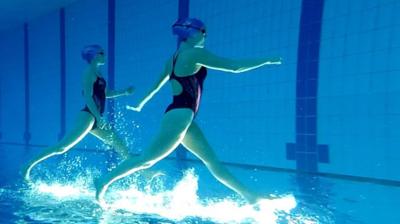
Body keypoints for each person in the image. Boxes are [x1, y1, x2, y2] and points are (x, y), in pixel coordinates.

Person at [95, 18, 282, 205]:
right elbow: (234, 67)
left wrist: (140, 104)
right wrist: (266, 60)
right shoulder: (194, 54)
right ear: (193, 33)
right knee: (146, 160)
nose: (205, 35)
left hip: (183, 117)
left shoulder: (173, 59)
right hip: (180, 115)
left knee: (212, 162)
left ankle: (251, 196)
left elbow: (155, 87)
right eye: (203, 31)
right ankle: (103, 181)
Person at [22, 44, 134, 182]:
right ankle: (27, 166)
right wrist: (98, 118)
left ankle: (143, 172)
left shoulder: (99, 73)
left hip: (96, 117)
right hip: (88, 116)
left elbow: (106, 93)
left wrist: (124, 92)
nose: (105, 55)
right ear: (94, 55)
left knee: (120, 144)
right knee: (62, 147)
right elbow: (87, 96)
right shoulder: (88, 73)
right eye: (102, 53)